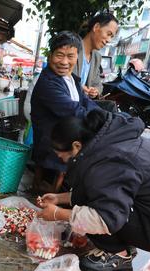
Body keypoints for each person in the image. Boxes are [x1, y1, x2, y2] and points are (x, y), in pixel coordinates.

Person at [37, 108, 150, 271]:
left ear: (76, 146)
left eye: (61, 156)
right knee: (93, 196)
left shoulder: (111, 160)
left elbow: (105, 218)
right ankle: (123, 244)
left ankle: (118, 256)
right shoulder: (109, 143)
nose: (62, 161)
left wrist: (58, 213)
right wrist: (60, 198)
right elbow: (100, 189)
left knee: (99, 213)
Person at [30, 31, 99, 192]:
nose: (64, 62)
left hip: (66, 132)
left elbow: (85, 101)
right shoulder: (48, 82)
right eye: (59, 55)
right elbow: (73, 110)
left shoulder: (71, 79)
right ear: (50, 56)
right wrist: (99, 119)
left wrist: (103, 115)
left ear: (77, 57)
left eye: (71, 56)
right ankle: (55, 193)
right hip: (51, 140)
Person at [75, 12, 118, 99]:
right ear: (96, 27)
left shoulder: (96, 57)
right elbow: (63, 77)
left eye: (112, 37)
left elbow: (99, 85)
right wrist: (78, 88)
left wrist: (95, 91)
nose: (109, 40)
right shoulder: (73, 47)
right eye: (108, 34)